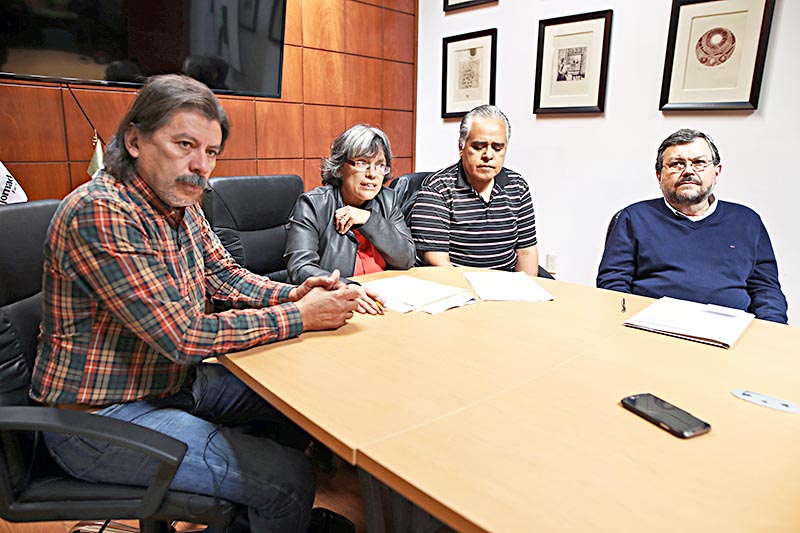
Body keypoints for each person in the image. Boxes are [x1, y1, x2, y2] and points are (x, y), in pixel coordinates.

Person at [29, 74, 360, 532]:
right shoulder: (100, 211)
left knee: (299, 404)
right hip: (100, 420)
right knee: (289, 481)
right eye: (184, 144)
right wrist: (299, 316)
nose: (200, 165)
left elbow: (224, 273)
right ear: (134, 141)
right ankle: (280, 505)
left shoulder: (180, 201)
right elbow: (183, 336)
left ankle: (263, 516)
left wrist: (295, 292)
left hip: (167, 385)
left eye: (210, 152)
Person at [597, 128, 787, 323]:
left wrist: (773, 331)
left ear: (716, 171)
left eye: (699, 163)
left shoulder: (748, 221)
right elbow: (613, 285)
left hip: (727, 330)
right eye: (676, 164)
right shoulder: (634, 218)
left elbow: (766, 290)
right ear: (659, 176)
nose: (688, 171)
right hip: (652, 327)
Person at [285, 124, 415, 313]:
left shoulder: (388, 200)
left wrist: (369, 220)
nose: (372, 174)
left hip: (384, 304)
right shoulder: (314, 204)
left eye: (380, 165)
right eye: (362, 163)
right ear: (340, 168)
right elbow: (300, 267)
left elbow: (406, 258)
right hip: (335, 304)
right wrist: (348, 287)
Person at [410, 104, 539, 274]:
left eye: (498, 148)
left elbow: (526, 252)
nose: (488, 155)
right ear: (461, 148)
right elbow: (438, 263)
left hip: (508, 287)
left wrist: (527, 293)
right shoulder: (437, 189)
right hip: (457, 286)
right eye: (478, 147)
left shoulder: (518, 186)